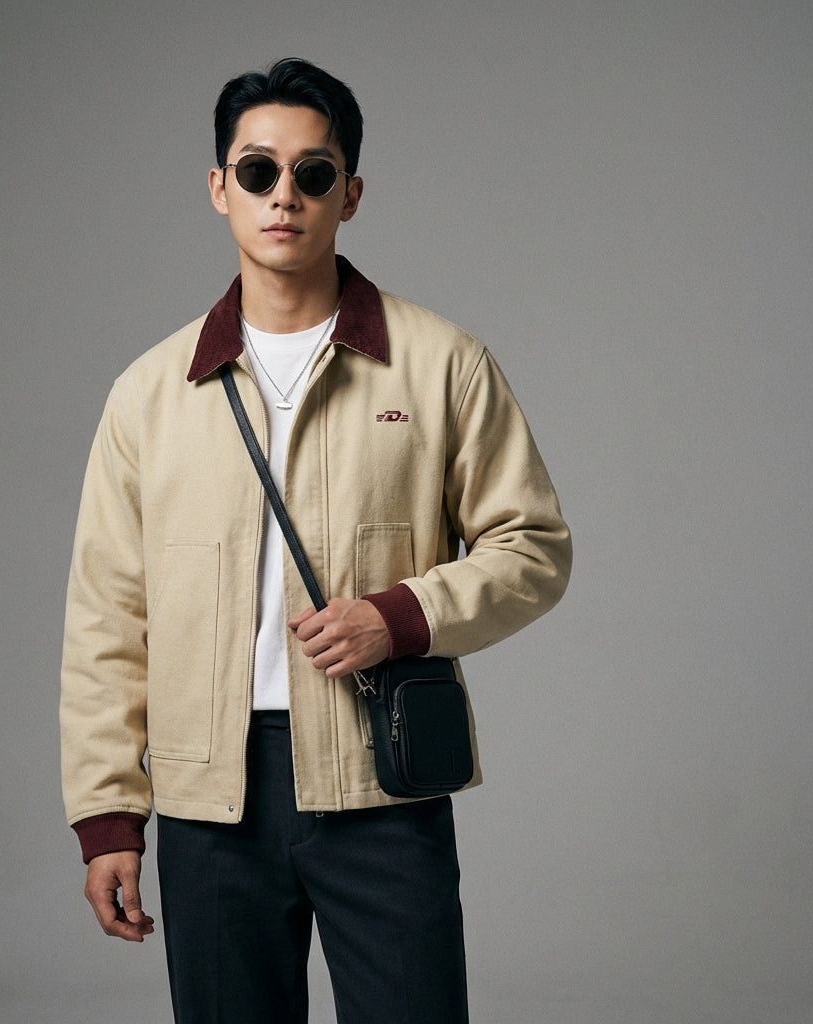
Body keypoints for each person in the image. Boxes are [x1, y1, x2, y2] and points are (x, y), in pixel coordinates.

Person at [61, 57, 571, 1024]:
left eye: (313, 172)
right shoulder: (150, 393)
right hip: (212, 800)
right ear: (220, 188)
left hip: (380, 779)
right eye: (258, 171)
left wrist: (402, 617)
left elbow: (533, 546)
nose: (284, 196)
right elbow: (107, 618)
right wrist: (108, 815)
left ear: (351, 193)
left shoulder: (441, 364)